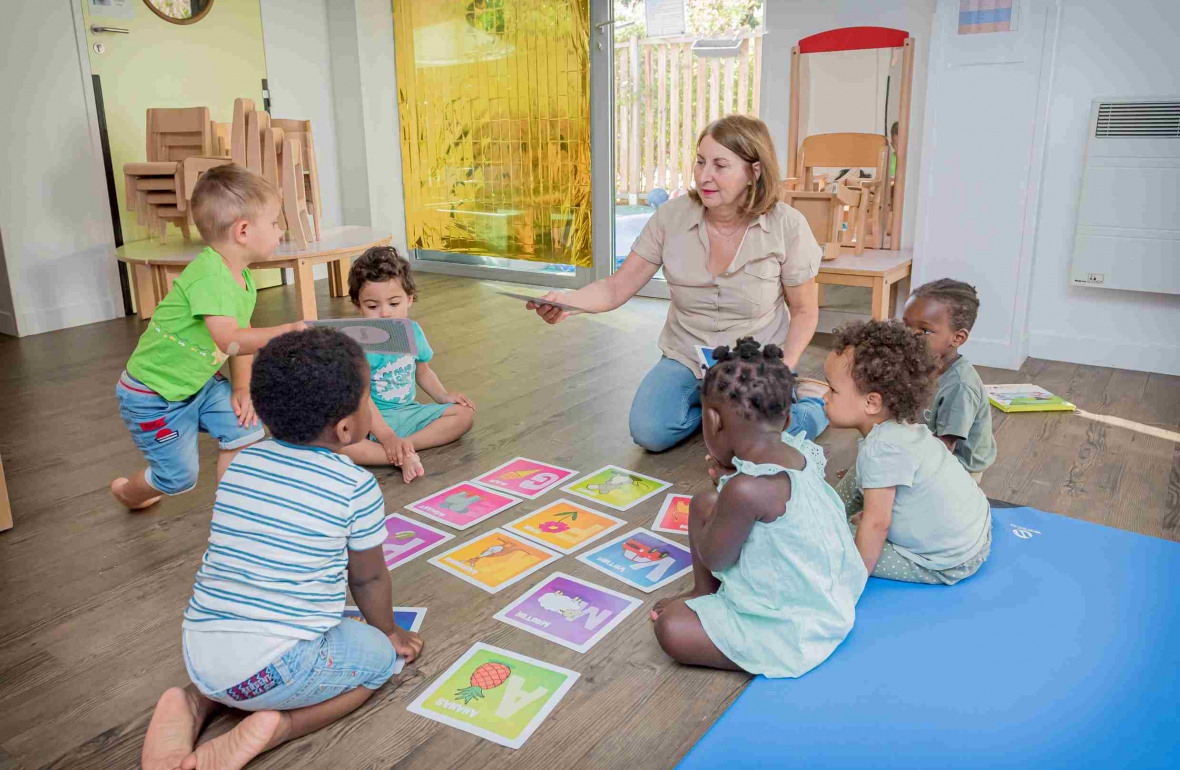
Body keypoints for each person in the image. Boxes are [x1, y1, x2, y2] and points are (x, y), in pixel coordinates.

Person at [141, 327, 423, 770]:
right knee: (379, 661)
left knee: (233, 667)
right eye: (367, 399)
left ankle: (190, 703)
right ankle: (281, 726)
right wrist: (389, 632)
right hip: (280, 667)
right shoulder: (355, 486)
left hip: (200, 650)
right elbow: (367, 578)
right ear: (346, 427)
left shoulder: (241, 464)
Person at [527, 114, 828, 451]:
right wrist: (569, 302)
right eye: (700, 162)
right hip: (687, 356)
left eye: (720, 165)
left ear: (753, 172)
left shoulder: (787, 225)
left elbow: (804, 311)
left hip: (754, 363)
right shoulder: (671, 217)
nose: (704, 175)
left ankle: (811, 402)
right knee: (649, 432)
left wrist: (781, 369)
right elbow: (616, 287)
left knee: (766, 440)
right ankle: (722, 413)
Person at [650, 338, 866, 677]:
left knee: (672, 628)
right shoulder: (799, 452)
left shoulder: (745, 489)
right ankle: (703, 594)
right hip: (829, 600)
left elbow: (716, 558)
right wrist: (726, 485)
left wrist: (726, 488)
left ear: (713, 421)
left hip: (791, 633)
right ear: (788, 418)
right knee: (705, 503)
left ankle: (714, 606)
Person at [111, 165, 305, 510]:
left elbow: (241, 339)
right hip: (153, 395)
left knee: (246, 428)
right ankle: (129, 493)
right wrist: (287, 332)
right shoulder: (209, 277)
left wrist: (242, 388)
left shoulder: (241, 277)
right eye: (275, 222)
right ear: (243, 231)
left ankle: (234, 509)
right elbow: (229, 340)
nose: (281, 230)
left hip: (199, 384)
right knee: (178, 478)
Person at [823, 320, 992, 585]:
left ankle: (826, 518)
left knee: (829, 541)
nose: (824, 397)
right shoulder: (900, 429)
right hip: (976, 530)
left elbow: (877, 525)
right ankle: (828, 509)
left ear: (872, 402)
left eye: (832, 390)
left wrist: (851, 580)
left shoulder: (882, 450)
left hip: (949, 561)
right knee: (855, 482)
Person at [337, 246, 474, 482]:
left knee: (464, 415)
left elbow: (423, 371)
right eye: (372, 306)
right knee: (338, 445)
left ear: (409, 299)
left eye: (393, 303)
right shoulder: (357, 343)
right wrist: (386, 436)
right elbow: (362, 398)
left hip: (407, 414)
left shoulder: (412, 331)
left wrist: (443, 396)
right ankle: (395, 454)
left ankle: (403, 448)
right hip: (369, 420)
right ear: (358, 305)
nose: (385, 313)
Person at [903, 278, 995, 480]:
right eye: (907, 325)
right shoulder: (920, 362)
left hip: (957, 468)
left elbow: (944, 451)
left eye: (925, 331)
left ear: (957, 338)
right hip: (923, 447)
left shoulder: (960, 386)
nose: (910, 336)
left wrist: (895, 474)